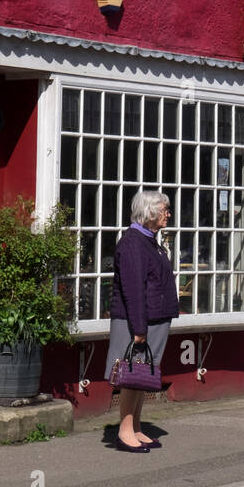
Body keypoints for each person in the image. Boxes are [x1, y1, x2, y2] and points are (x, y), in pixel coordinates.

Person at [106, 190, 178, 453]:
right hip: (137, 321)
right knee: (131, 376)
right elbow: (133, 290)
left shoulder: (149, 241)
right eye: (164, 209)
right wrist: (139, 329)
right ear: (148, 211)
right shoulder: (133, 242)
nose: (168, 214)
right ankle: (125, 432)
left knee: (142, 376)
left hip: (154, 319)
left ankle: (136, 427)